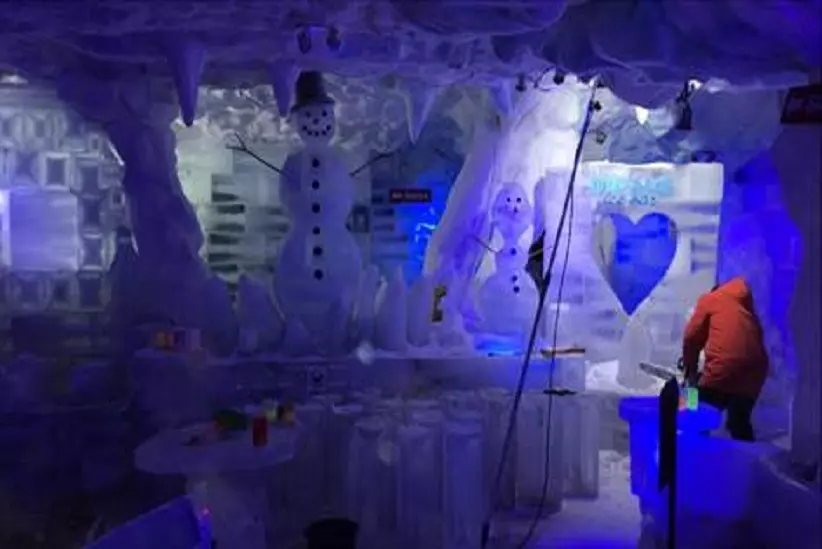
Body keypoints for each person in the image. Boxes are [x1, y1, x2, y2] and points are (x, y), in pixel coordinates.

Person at [681, 277, 769, 441]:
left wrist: (689, 369)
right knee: (739, 422)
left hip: (725, 368)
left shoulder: (710, 299)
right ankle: (746, 455)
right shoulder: (745, 308)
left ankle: (695, 448)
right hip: (755, 373)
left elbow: (691, 337)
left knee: (698, 413)